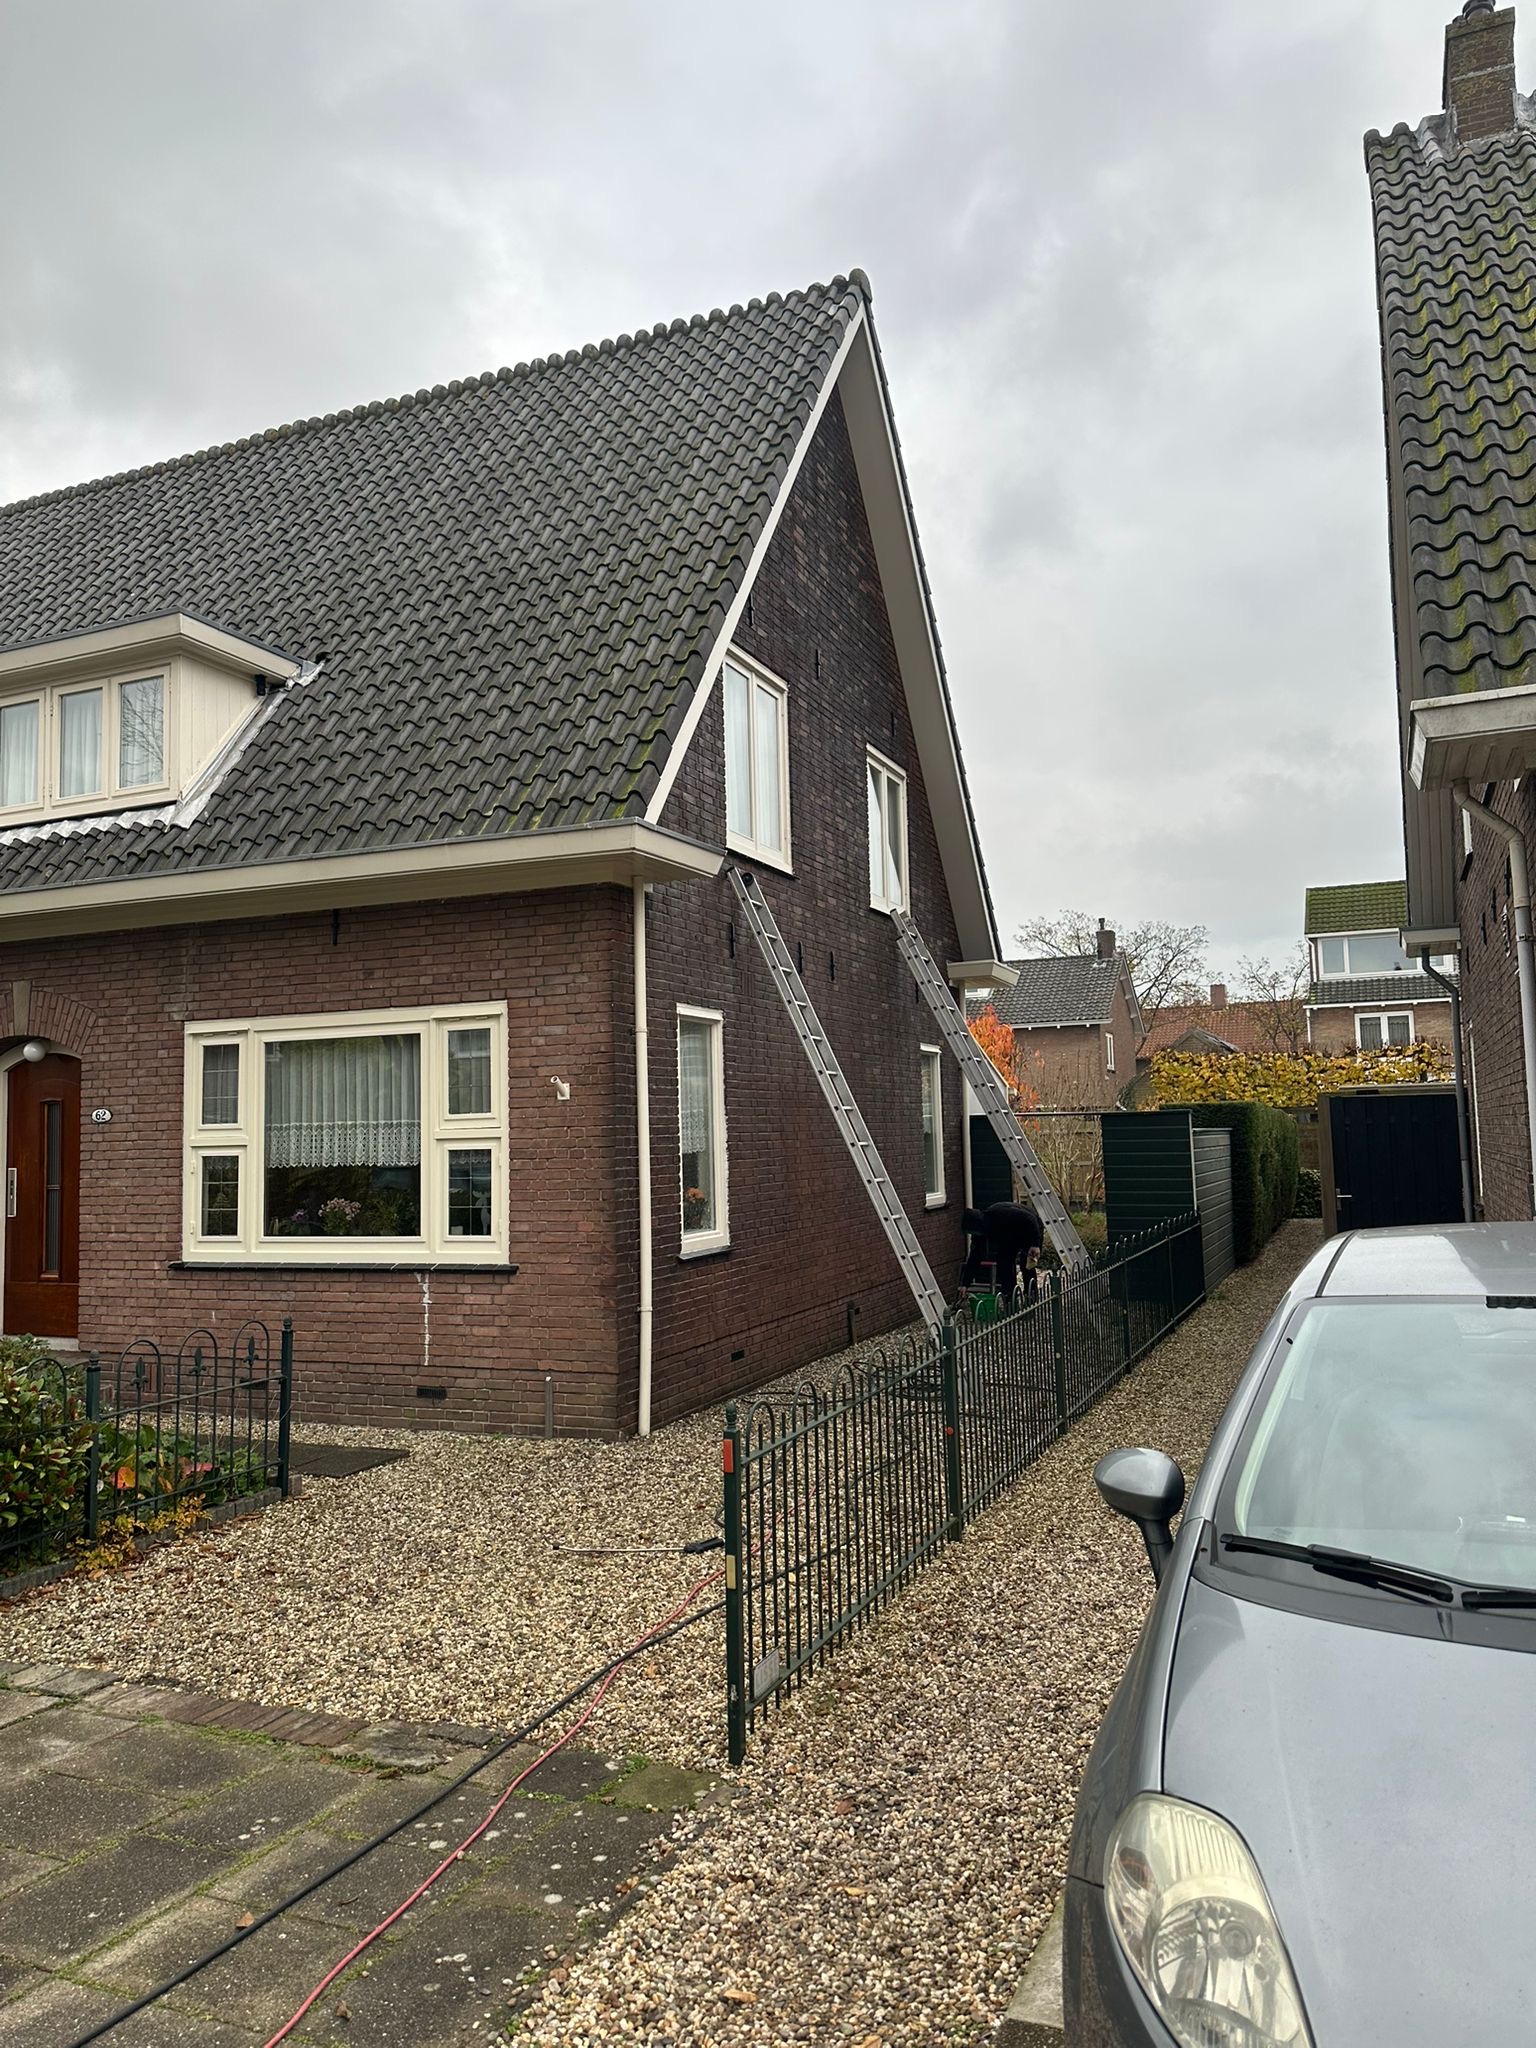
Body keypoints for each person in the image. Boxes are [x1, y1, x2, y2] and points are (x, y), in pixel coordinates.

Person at [962, 1200, 1045, 1304]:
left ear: (977, 1225)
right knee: (1003, 1263)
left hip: (1031, 1229)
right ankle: (1010, 1299)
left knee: (1027, 1265)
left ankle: (1031, 1298)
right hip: (1009, 1237)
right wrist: (965, 1284)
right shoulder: (980, 1234)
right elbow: (975, 1257)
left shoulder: (998, 1213)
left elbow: (1030, 1218)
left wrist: (1035, 1244)